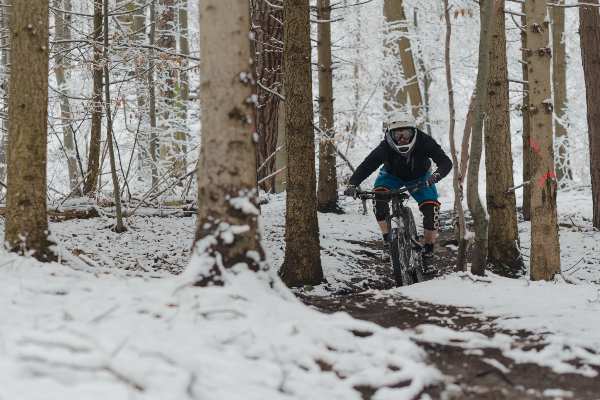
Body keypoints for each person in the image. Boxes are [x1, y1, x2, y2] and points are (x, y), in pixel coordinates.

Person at [344, 114, 452, 260]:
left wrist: (435, 176)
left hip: (420, 177)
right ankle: (388, 240)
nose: (402, 139)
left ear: (413, 132)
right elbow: (367, 166)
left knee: (431, 209)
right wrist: (353, 184)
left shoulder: (424, 141)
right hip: (391, 176)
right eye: (397, 134)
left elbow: (446, 162)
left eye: (406, 134)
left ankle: (429, 247)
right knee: (379, 198)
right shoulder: (385, 146)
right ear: (390, 134)